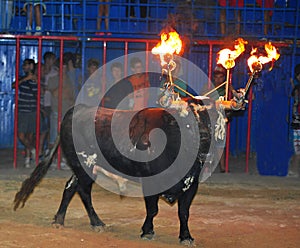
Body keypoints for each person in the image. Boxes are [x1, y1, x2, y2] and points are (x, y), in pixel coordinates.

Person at [12, 59, 38, 168]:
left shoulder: (36, 78)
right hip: (22, 111)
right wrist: (26, 79)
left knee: (29, 136)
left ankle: (28, 160)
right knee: (21, 135)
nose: (24, 67)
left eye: (26, 65)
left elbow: (39, 92)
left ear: (31, 66)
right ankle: (33, 150)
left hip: (32, 110)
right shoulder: (22, 78)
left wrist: (34, 80)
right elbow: (14, 85)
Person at [290, 64, 300, 176]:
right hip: (297, 122)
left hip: (297, 121)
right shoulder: (296, 89)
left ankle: (294, 170)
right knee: (297, 149)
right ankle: (294, 169)